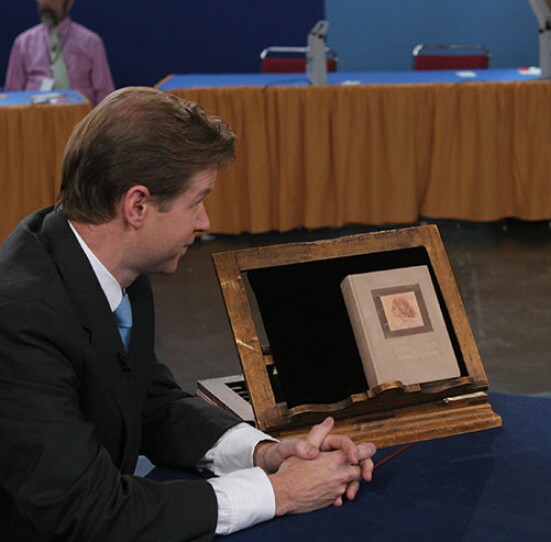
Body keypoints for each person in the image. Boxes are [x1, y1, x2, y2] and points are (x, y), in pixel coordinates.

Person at [0, 87, 376, 540]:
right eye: (196, 201)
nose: (204, 222)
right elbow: (86, 509)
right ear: (137, 206)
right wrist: (278, 493)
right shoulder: (20, 317)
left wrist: (266, 455)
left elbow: (148, 401)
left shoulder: (111, 262)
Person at [4, 0, 115, 104]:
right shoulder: (23, 43)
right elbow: (12, 94)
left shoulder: (91, 42)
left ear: (69, 2)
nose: (46, 3)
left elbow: (104, 92)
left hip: (80, 118)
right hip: (33, 117)